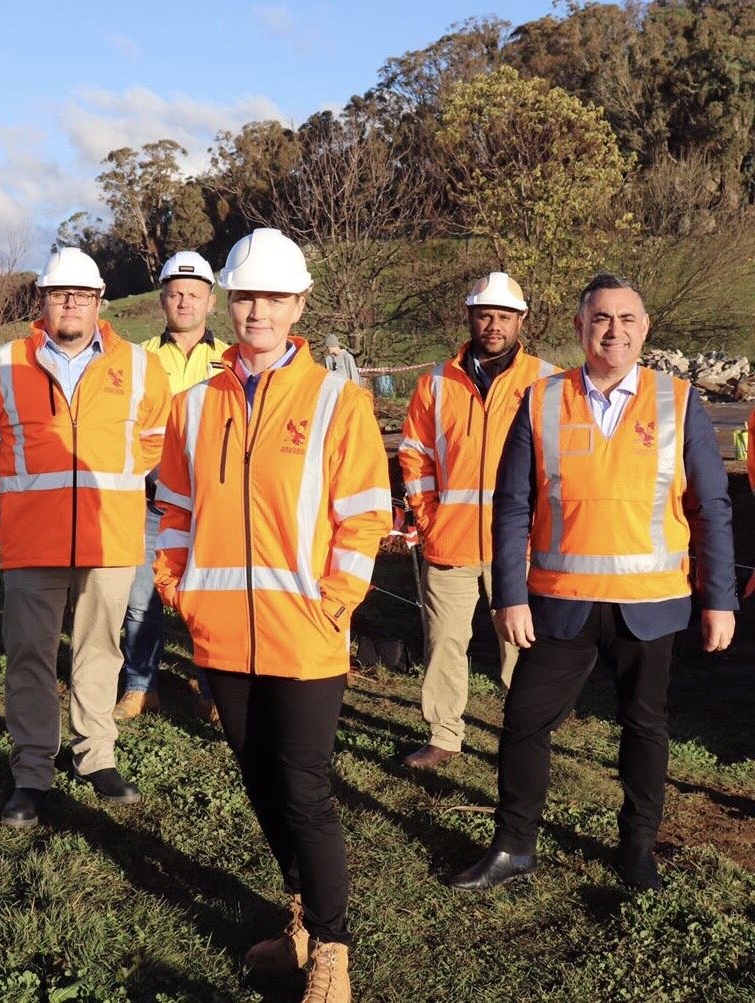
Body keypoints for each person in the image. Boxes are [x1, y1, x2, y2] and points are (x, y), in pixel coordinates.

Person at [153, 228, 391, 1002]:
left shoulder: (336, 400)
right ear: (231, 299)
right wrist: (176, 583)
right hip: (221, 634)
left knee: (306, 787)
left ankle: (332, 945)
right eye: (246, 294)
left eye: (273, 297)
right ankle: (301, 910)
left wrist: (337, 599)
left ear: (299, 304)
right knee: (258, 780)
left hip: (307, 634)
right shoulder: (193, 406)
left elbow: (363, 515)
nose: (257, 309)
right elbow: (176, 509)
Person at [448, 273, 737, 894]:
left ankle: (636, 852)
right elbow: (512, 506)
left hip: (650, 606)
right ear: (580, 328)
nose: (615, 331)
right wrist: (512, 593)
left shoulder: (679, 402)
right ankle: (514, 846)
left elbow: (711, 506)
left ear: (645, 329)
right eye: (601, 319)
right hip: (560, 604)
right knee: (524, 722)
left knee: (645, 727)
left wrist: (719, 599)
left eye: (627, 319)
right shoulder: (542, 399)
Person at [0, 247, 171, 827]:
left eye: (81, 294)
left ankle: (96, 756)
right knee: (29, 654)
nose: (70, 302)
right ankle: (31, 771)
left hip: (111, 539)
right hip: (31, 541)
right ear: (42, 301)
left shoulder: (143, 367)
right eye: (58, 293)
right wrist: (22, 483)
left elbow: (155, 443)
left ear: (100, 301)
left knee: (101, 652)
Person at [398, 271, 558, 769]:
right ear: (470, 316)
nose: (494, 325)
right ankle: (444, 735)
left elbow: (562, 464)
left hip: (521, 546)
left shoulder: (547, 381)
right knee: (444, 641)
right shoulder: (437, 383)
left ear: (521, 321)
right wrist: (428, 520)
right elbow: (415, 455)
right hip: (451, 543)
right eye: (485, 314)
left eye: (504, 317)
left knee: (521, 643)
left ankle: (524, 734)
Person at [114, 251, 228, 723]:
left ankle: (212, 689)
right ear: (162, 299)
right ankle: (140, 687)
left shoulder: (231, 360)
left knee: (211, 599)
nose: (184, 302)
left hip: (213, 503)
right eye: (176, 293)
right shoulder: (136, 359)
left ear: (212, 301)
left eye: (194, 294)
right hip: (150, 502)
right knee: (139, 601)